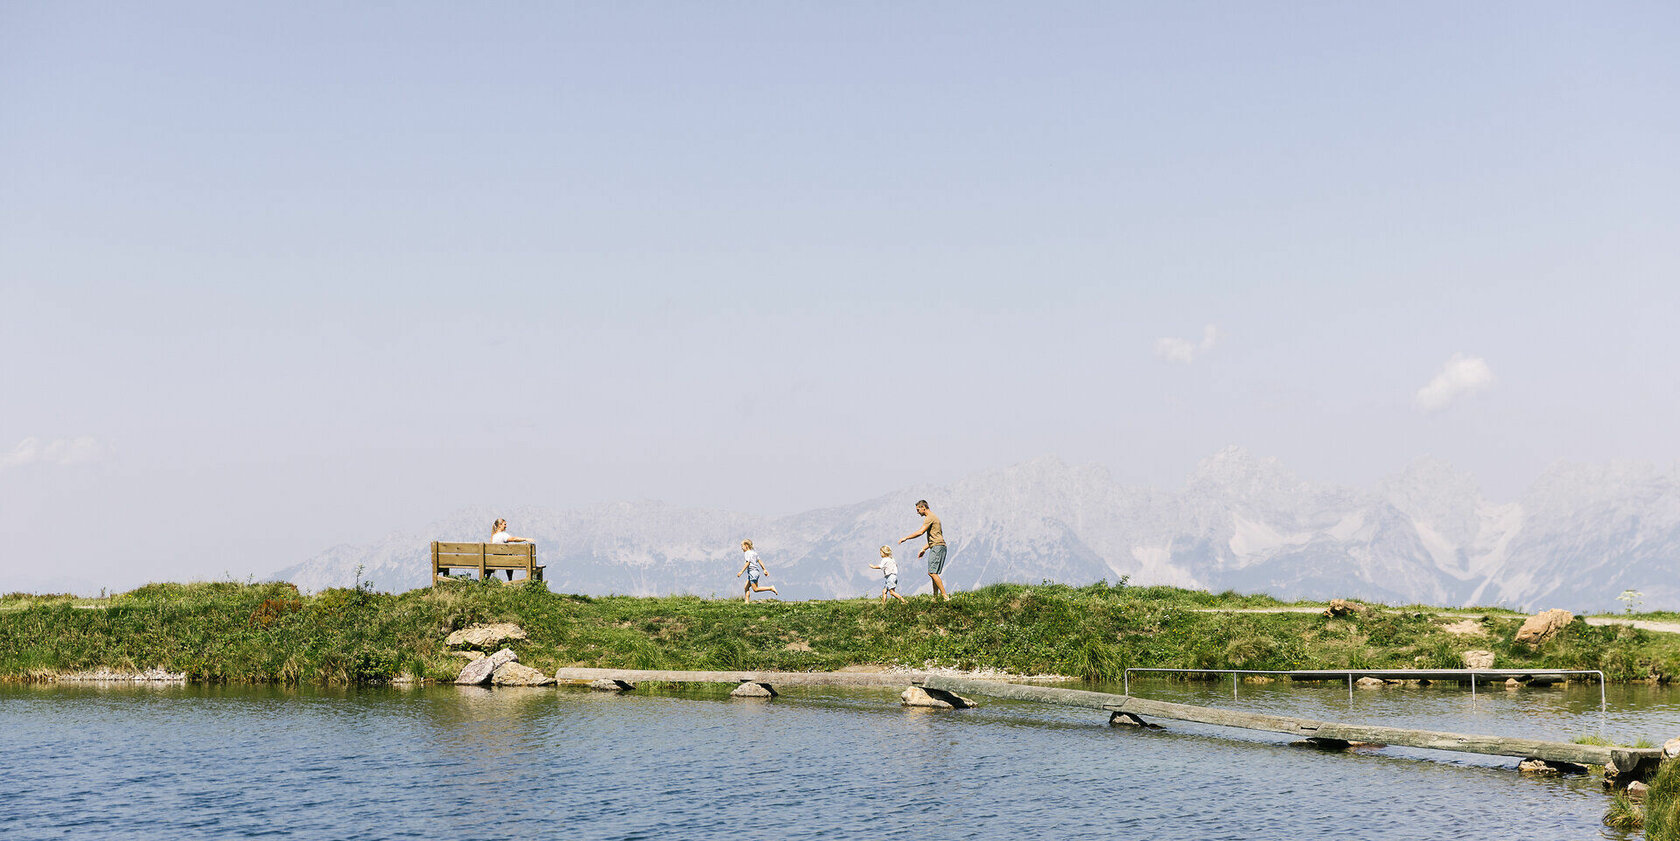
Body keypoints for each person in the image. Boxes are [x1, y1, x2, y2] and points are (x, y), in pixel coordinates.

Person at [898, 499, 950, 601]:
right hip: (939, 546)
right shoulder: (934, 517)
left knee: (931, 573)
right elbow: (936, 536)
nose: (917, 512)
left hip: (937, 547)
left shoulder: (929, 517)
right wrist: (924, 549)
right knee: (933, 572)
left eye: (918, 510)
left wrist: (906, 538)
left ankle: (945, 596)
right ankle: (935, 597)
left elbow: (921, 532)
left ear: (923, 507)